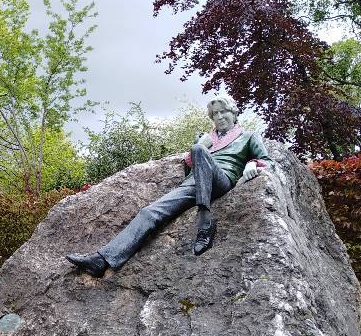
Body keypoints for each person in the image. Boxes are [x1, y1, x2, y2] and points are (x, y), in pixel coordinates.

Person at [66, 92, 273, 277]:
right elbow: (188, 167)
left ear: (234, 113)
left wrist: (252, 164)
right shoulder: (205, 139)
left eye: (223, 112)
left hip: (221, 180)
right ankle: (102, 261)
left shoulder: (248, 137)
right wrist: (200, 145)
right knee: (149, 212)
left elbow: (268, 161)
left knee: (199, 150)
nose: (219, 117)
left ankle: (205, 220)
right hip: (193, 183)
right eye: (215, 114)